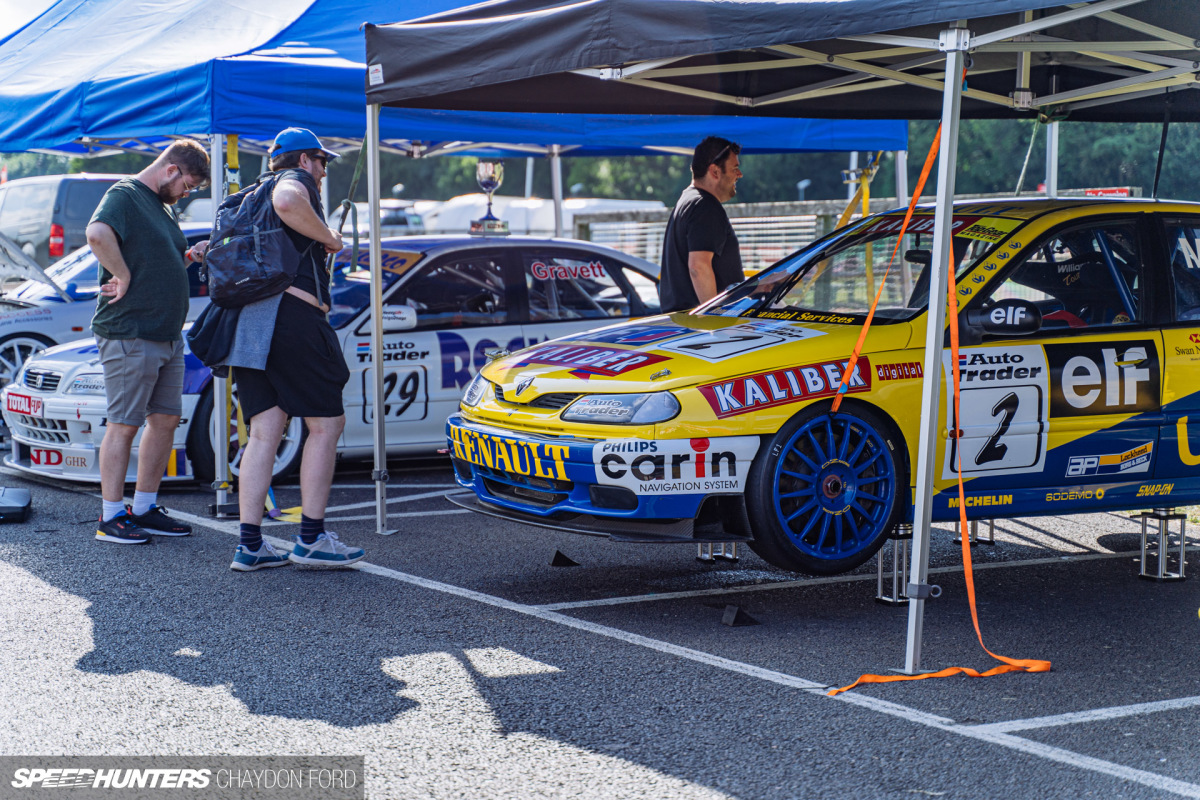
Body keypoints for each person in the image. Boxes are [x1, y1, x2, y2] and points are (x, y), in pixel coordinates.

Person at [226, 127, 364, 572]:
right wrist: (331, 238)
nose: (323, 172)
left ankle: (250, 545)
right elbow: (289, 202)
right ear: (304, 160)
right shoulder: (294, 182)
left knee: (264, 431)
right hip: (293, 319)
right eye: (321, 162)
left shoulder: (253, 192)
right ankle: (311, 538)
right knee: (327, 424)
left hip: (248, 322)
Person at [87, 139, 210, 544]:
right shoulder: (126, 194)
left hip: (165, 334)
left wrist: (188, 256)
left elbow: (152, 257)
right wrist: (121, 275)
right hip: (131, 331)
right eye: (187, 185)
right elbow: (97, 233)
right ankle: (110, 517)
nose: (186, 194)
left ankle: (143, 507)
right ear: (171, 170)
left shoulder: (160, 205)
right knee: (124, 425)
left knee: (165, 420)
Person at [658, 136, 744, 313]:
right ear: (715, 171)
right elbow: (698, 267)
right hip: (701, 324)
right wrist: (713, 317)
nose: (739, 174)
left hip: (684, 320)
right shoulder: (705, 206)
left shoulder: (687, 201)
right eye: (735, 168)